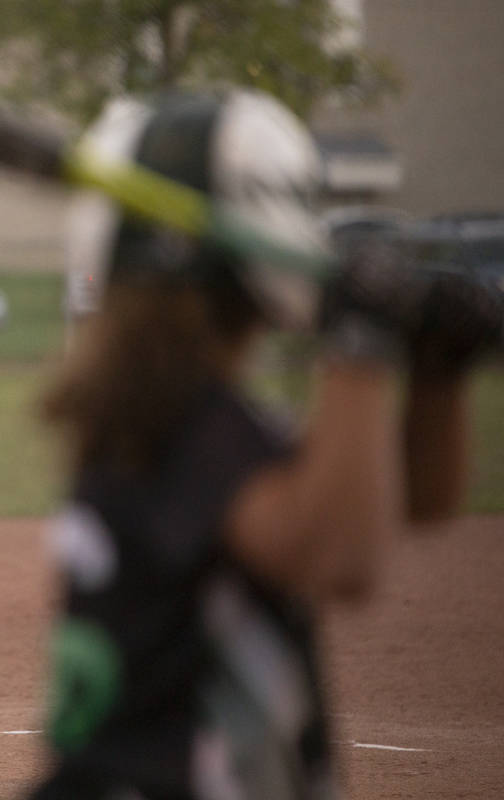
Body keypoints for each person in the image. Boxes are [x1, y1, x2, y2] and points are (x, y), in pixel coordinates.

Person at [31, 90, 500, 799]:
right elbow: (340, 555)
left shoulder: (191, 418)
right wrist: (359, 343)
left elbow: (416, 499)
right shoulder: (171, 431)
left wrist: (438, 374)